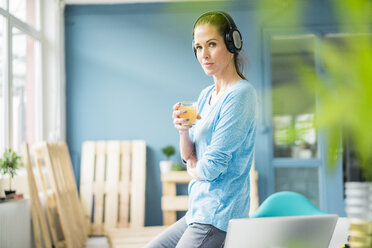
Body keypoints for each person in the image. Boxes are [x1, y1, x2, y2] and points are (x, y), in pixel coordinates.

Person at [146, 10, 257, 248]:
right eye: (198, 47)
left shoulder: (241, 95)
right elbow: (189, 157)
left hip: (218, 217)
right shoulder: (206, 95)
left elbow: (212, 166)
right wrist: (183, 131)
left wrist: (195, 168)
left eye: (212, 44)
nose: (204, 55)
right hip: (196, 212)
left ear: (232, 43)